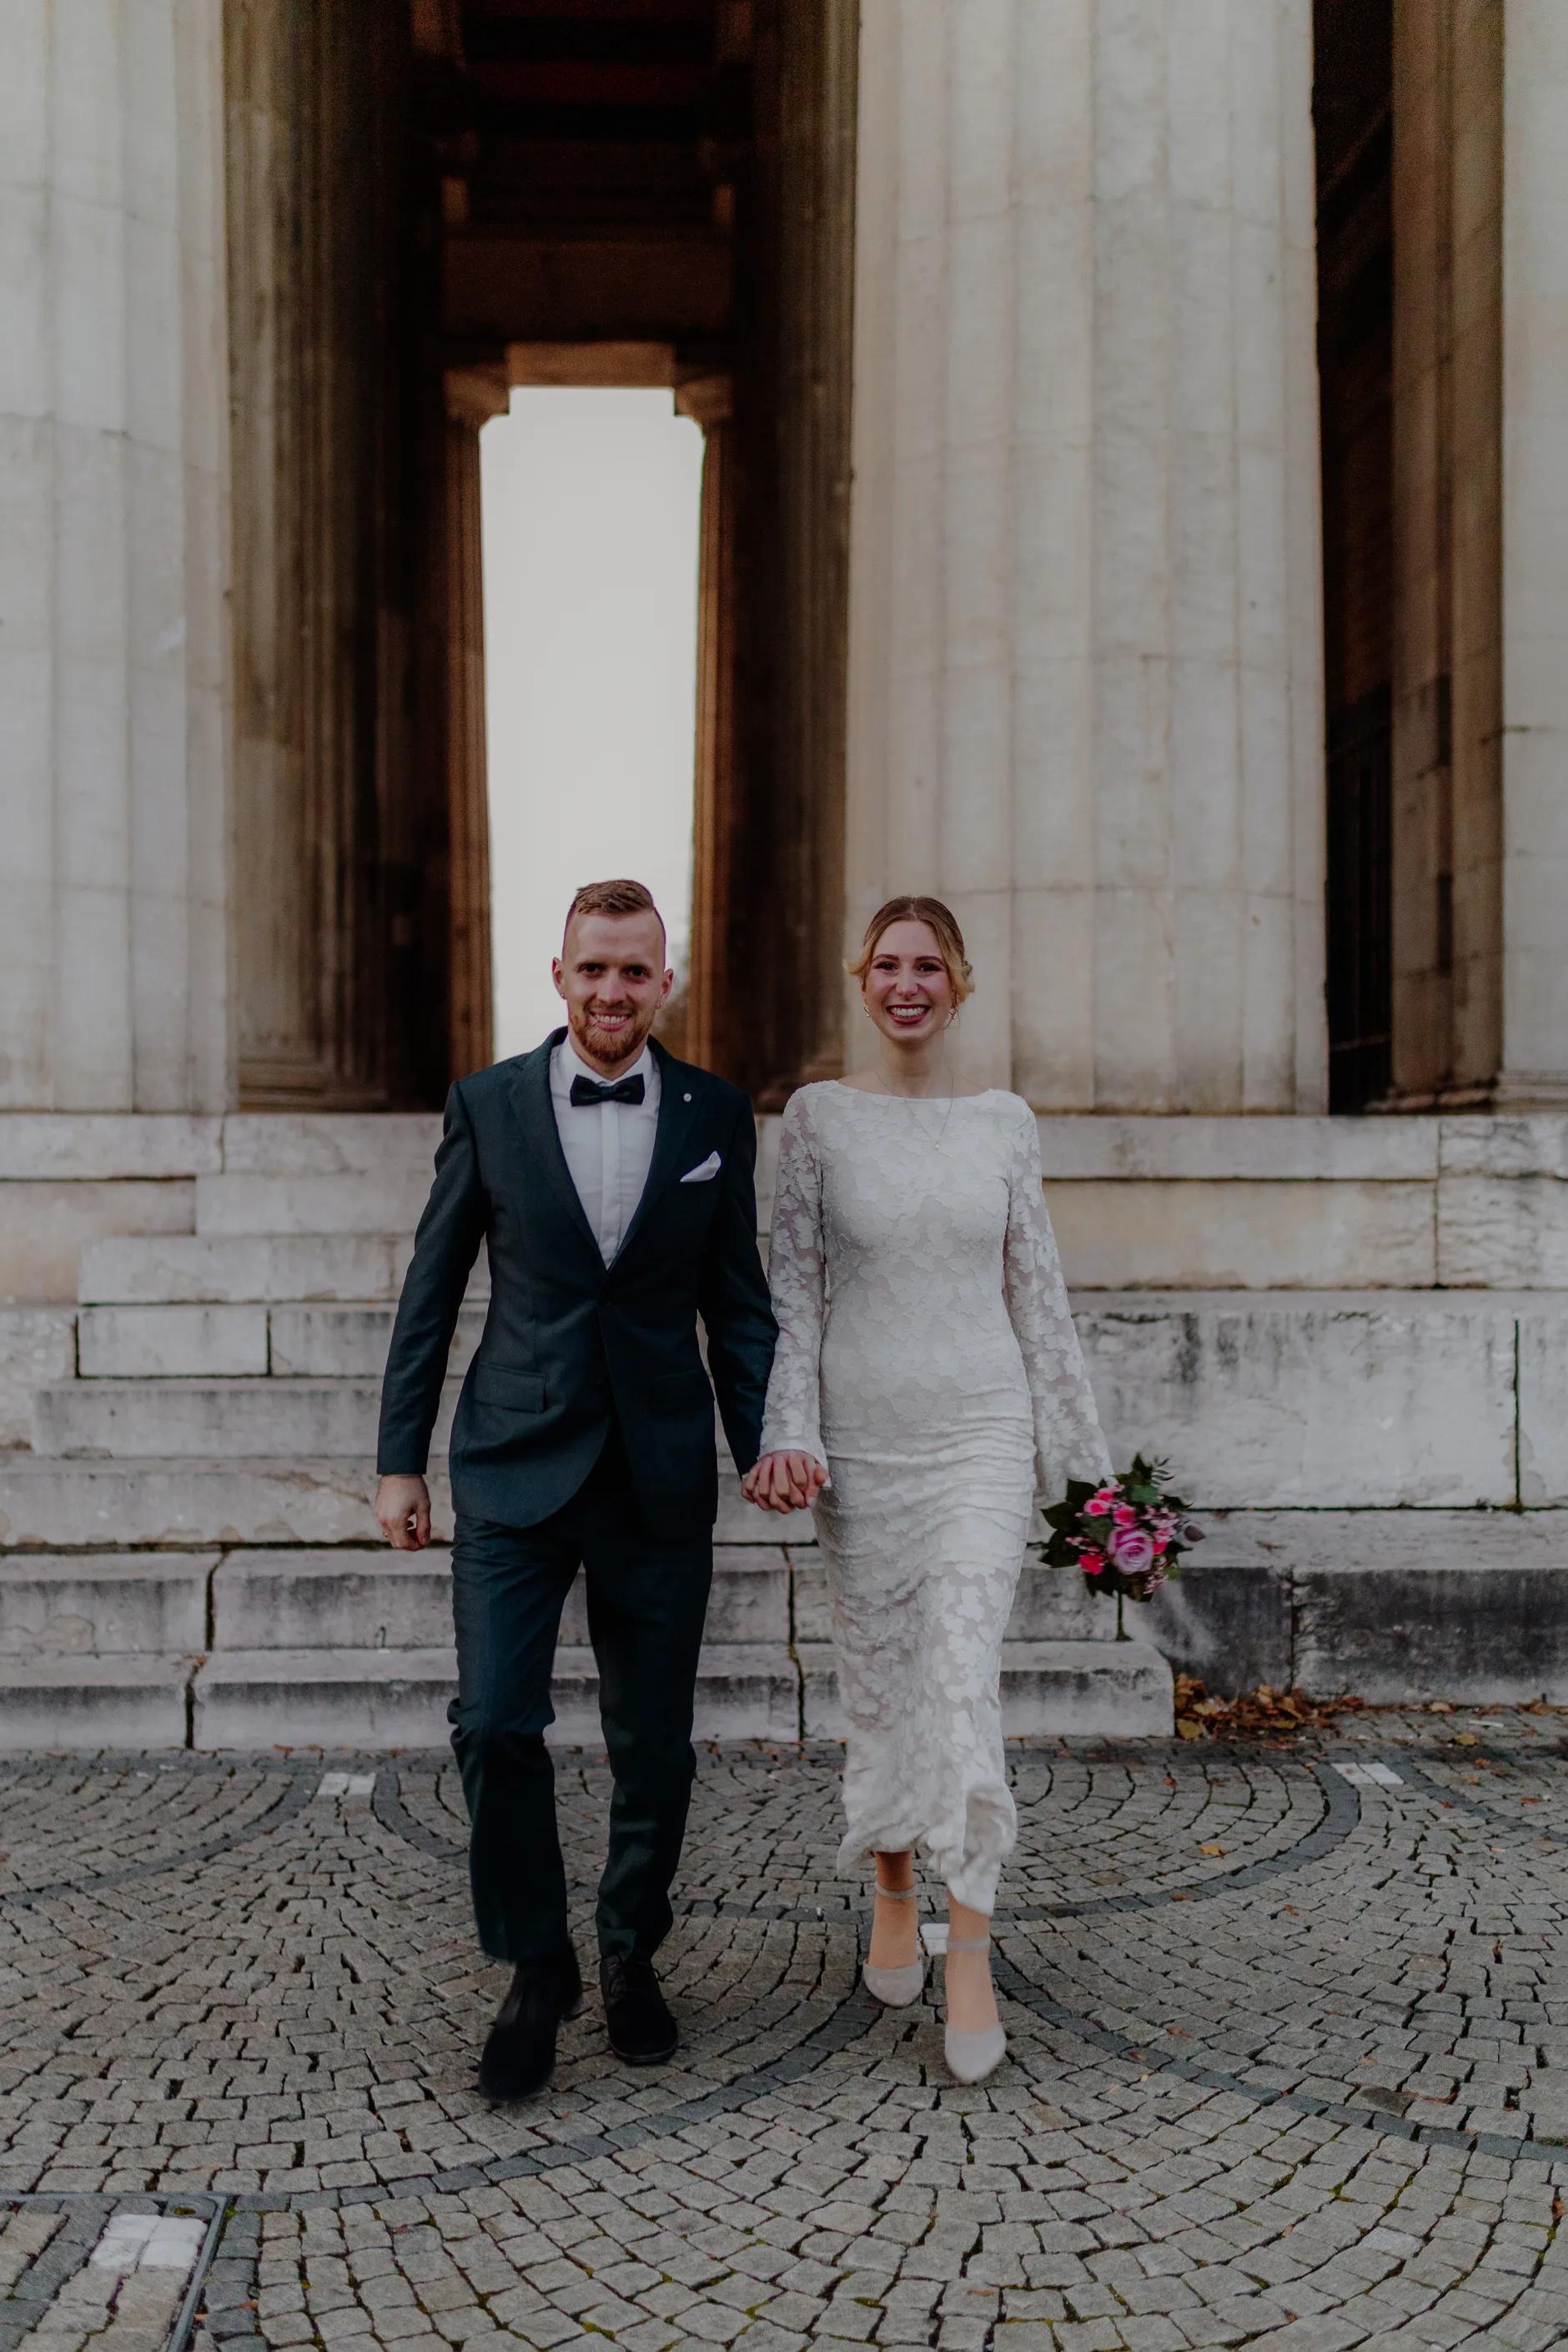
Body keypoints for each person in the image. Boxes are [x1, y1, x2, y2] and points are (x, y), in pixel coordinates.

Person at [375, 879, 776, 2101]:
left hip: (657, 1470)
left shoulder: (715, 1111)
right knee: (495, 1721)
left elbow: (738, 1300)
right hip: (512, 1460)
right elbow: (431, 1290)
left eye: (635, 972)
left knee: (652, 1743)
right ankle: (535, 1966)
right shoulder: (488, 1104)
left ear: (667, 981)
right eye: (593, 969)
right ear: (558, 976)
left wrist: (763, 1438)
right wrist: (401, 1456)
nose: (613, 991)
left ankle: (631, 1954)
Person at [743, 895, 1111, 2083]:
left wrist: (1094, 1482)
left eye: (929, 966)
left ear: (961, 983)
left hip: (980, 1434)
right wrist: (789, 1431)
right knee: (887, 1678)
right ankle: (892, 1877)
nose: (908, 984)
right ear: (863, 980)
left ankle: (969, 1945)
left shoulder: (1005, 1123)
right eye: (888, 965)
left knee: (959, 1671)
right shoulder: (815, 1121)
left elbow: (1039, 1298)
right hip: (863, 1438)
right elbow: (791, 1297)